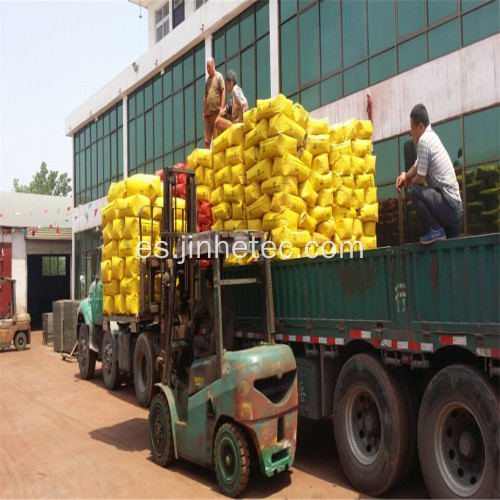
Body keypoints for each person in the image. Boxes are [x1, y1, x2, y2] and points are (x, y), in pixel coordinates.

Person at [396, 104, 463, 244]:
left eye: (412, 127)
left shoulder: (424, 141)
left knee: (415, 192)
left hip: (449, 205)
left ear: (420, 126)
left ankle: (436, 230)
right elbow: (417, 165)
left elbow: (420, 180)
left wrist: (410, 182)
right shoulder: (431, 137)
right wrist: (405, 176)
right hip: (455, 210)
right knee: (449, 256)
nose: (411, 132)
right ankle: (438, 231)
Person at [191, 266, 233, 359]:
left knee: (196, 340)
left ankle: (197, 368)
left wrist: (193, 304)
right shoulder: (225, 293)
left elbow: (198, 312)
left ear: (207, 281)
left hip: (214, 341)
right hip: (228, 340)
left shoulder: (209, 294)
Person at [214, 70, 248, 136]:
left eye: (227, 85)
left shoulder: (236, 90)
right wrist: (220, 114)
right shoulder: (232, 98)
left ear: (231, 83)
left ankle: (215, 145)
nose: (226, 87)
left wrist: (245, 124)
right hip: (234, 125)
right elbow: (226, 109)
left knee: (218, 122)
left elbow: (245, 104)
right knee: (221, 118)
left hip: (237, 126)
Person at [203, 58, 225, 149]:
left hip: (216, 113)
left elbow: (223, 91)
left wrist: (222, 107)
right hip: (208, 115)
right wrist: (204, 112)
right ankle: (207, 161)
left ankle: (215, 161)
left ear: (213, 66)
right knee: (207, 141)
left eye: (209, 67)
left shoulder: (219, 77)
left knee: (216, 140)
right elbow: (205, 96)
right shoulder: (207, 81)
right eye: (207, 67)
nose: (208, 69)